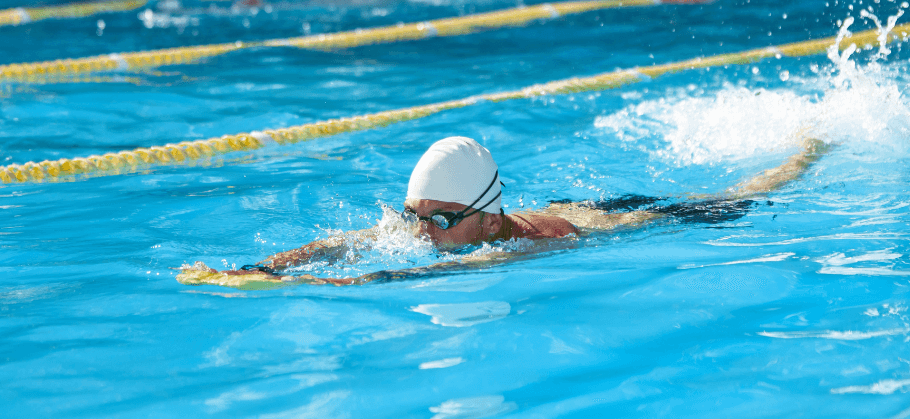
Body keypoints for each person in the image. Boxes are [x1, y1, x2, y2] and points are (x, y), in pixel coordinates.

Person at [177, 134, 830, 290]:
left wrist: (320, 289)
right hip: (553, 206)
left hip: (602, 224)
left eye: (441, 220)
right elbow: (336, 240)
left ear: (488, 220)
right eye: (416, 216)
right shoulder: (444, 221)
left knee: (742, 200)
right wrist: (265, 267)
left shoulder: (495, 247)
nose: (423, 233)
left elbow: (407, 277)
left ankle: (804, 152)